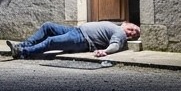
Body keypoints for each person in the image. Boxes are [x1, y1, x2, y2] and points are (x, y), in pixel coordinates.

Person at [7, 20, 141, 59]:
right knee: (48, 27)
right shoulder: (116, 25)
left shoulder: (120, 33)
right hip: (76, 30)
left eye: (135, 34)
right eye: (133, 28)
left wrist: (105, 51)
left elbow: (115, 45)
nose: (132, 33)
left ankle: (22, 52)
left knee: (51, 42)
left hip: (82, 39)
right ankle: (21, 45)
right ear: (125, 22)